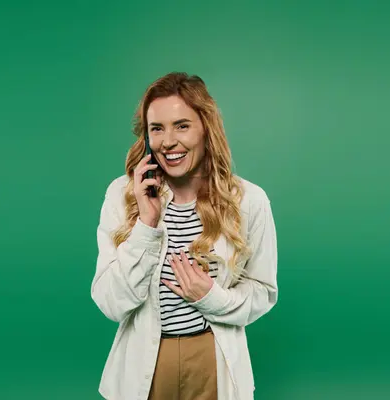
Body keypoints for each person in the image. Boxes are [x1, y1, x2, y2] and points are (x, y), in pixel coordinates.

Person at [91, 72, 279, 400]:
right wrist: (146, 226)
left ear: (206, 129)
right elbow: (111, 302)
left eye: (182, 125)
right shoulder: (123, 195)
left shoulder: (249, 201)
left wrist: (211, 298)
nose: (168, 141)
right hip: (145, 364)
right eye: (157, 128)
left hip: (212, 359)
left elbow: (263, 291)